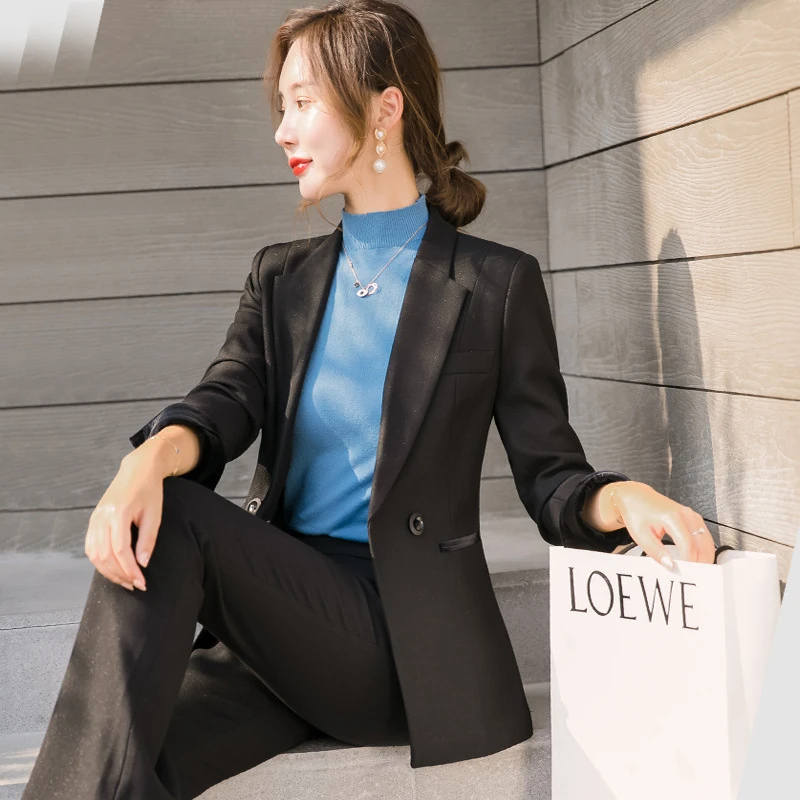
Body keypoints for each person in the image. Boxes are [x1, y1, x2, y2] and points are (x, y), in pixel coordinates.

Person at [21, 1, 716, 797]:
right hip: (285, 621)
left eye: (303, 103)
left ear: (385, 108)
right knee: (118, 760)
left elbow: (551, 476)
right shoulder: (281, 278)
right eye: (281, 106)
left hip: (399, 643)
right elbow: (224, 400)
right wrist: (146, 459)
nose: (282, 130)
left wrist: (624, 499)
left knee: (174, 517)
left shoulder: (493, 284)